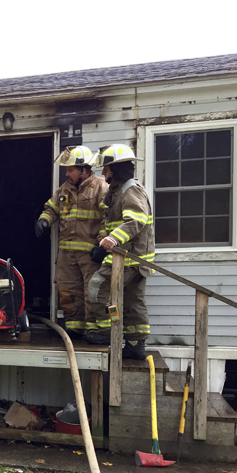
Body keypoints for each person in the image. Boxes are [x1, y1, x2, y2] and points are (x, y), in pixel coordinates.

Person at [85, 144, 155, 360]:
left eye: (106, 169)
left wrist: (113, 239)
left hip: (128, 256)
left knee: (97, 287)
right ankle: (135, 344)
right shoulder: (115, 192)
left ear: (115, 169)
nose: (103, 173)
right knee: (134, 301)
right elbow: (109, 224)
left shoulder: (130, 189)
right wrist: (101, 244)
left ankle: (106, 332)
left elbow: (136, 220)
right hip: (131, 257)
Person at [36, 146, 108, 339]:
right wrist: (44, 220)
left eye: (70, 170)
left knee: (91, 292)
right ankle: (74, 327)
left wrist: (101, 244)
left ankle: (94, 330)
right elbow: (51, 208)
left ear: (84, 170)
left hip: (90, 254)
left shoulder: (100, 188)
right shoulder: (64, 189)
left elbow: (108, 218)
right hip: (67, 255)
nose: (66, 173)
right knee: (67, 290)